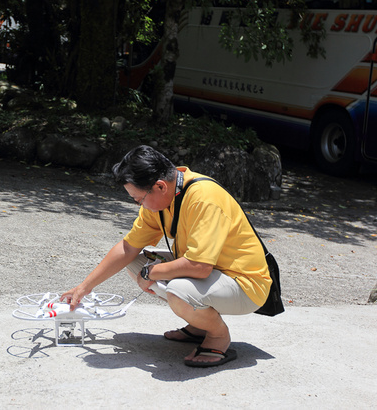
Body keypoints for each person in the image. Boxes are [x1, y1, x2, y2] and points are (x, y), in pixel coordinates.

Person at [61, 145, 271, 368]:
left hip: (245, 285)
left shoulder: (203, 198)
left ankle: (218, 337)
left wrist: (152, 272)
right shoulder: (163, 200)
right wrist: (84, 287)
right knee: (135, 261)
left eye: (138, 199)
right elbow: (128, 248)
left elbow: (199, 267)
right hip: (213, 275)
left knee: (178, 291)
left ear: (159, 186)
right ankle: (199, 326)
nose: (138, 204)